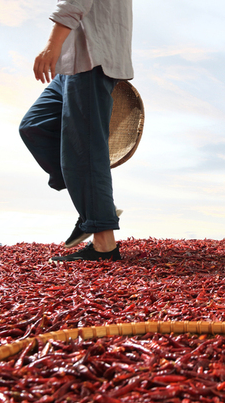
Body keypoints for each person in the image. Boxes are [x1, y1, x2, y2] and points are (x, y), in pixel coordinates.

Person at [19, 1, 133, 262]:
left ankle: (104, 244)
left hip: (92, 58)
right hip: (70, 64)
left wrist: (52, 45)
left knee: (85, 148)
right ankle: (95, 206)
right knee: (34, 126)